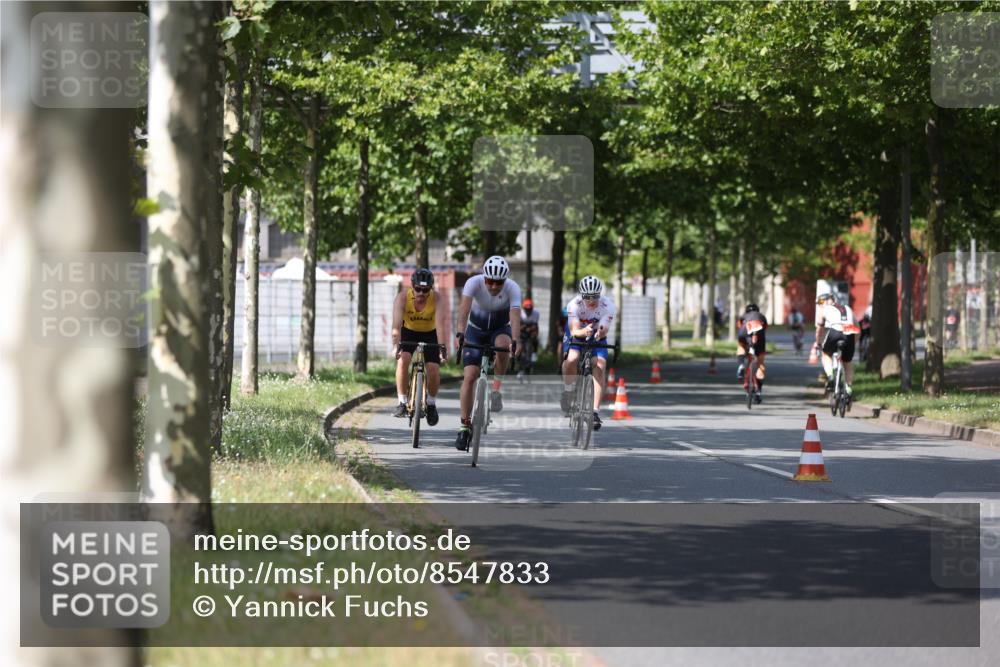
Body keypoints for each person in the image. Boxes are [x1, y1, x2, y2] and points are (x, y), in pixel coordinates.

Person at [454, 256, 522, 451]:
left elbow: (515, 316)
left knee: (504, 345)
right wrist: (460, 333)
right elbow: (463, 310)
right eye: (489, 281)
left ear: (505, 280)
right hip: (475, 330)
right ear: (484, 278)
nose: (493, 286)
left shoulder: (513, 288)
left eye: (498, 282)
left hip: (500, 329)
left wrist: (515, 340)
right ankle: (464, 426)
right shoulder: (473, 283)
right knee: (470, 376)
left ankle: (496, 390)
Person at [390, 268, 449, 424]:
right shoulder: (402, 298)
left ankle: (431, 403)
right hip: (408, 331)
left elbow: (441, 326)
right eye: (418, 289)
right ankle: (402, 402)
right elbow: (396, 326)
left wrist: (442, 348)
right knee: (403, 360)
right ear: (412, 286)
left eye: (425, 290)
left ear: (431, 288)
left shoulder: (437, 299)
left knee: (433, 369)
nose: (421, 293)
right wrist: (395, 345)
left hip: (430, 333)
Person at [561, 276, 616, 431]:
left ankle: (595, 412)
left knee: (600, 364)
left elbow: (604, 328)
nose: (591, 300)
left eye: (595, 297)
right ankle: (568, 390)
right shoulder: (574, 305)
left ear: (600, 294)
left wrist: (600, 333)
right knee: (572, 358)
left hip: (596, 334)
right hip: (577, 331)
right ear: (581, 295)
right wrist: (583, 331)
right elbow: (574, 330)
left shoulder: (608, 305)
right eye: (587, 297)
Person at [815, 292, 859, 396]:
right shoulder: (848, 308)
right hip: (850, 333)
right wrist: (853, 343)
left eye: (822, 301)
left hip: (835, 331)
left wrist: (819, 344)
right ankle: (848, 389)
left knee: (826, 354)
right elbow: (858, 328)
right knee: (847, 363)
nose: (820, 304)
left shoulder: (824, 309)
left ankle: (830, 376)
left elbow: (819, 329)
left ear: (830, 300)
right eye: (819, 303)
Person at [736, 304, 768, 402]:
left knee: (741, 345)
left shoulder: (743, 317)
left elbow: (739, 326)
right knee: (760, 364)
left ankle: (741, 365)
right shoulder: (761, 316)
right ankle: (758, 391)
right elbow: (765, 328)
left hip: (744, 333)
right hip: (759, 337)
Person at [518, 298, 541, 376]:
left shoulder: (536, 313)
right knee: (519, 347)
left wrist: (532, 332)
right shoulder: (520, 313)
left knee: (534, 338)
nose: (528, 311)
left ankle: (534, 352)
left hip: (530, 332)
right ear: (523, 308)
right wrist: (524, 328)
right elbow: (518, 326)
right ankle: (517, 363)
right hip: (521, 332)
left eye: (530, 309)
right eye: (526, 309)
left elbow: (535, 326)